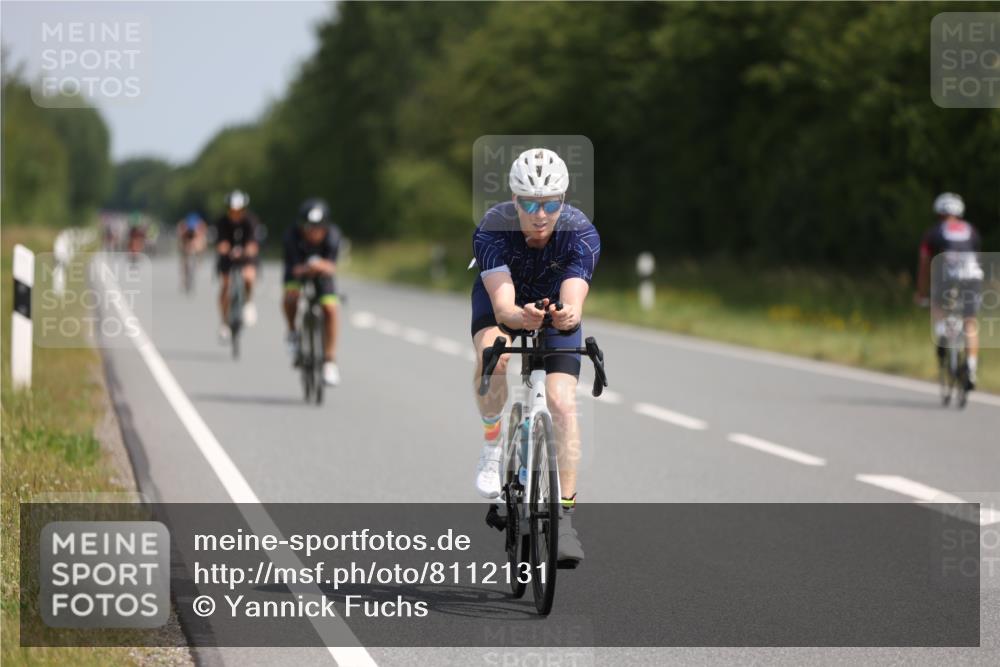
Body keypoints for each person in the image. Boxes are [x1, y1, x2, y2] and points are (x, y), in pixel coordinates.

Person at [470, 148, 600, 565]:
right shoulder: (493, 228)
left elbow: (574, 301)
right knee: (495, 355)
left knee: (562, 401)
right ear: (514, 200)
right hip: (505, 304)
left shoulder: (581, 233)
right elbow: (503, 306)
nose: (540, 214)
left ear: (563, 200)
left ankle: (565, 518)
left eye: (550, 204)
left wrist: (567, 316)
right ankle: (493, 442)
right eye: (528, 204)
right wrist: (517, 317)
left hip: (552, 307)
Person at [916, 192, 983, 389]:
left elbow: (924, 263)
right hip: (972, 276)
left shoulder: (933, 232)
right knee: (970, 322)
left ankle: (942, 332)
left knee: (937, 306)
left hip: (948, 276)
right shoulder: (972, 230)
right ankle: (971, 369)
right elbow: (978, 257)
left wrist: (921, 292)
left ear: (939, 212)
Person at [282, 198, 343, 386]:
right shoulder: (291, 236)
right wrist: (309, 268)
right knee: (291, 297)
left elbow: (331, 266)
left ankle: (329, 361)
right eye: (310, 228)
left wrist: (319, 267)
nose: (314, 232)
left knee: (330, 308)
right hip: (297, 271)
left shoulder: (333, 235)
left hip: (322, 275)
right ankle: (292, 332)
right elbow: (294, 268)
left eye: (319, 228)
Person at [215, 190, 260, 341]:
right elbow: (221, 244)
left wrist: (244, 252)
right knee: (225, 286)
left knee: (249, 277)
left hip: (246, 256)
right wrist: (228, 250)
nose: (235, 213)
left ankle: (248, 302)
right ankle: (224, 323)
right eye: (232, 210)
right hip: (228, 257)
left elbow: (253, 244)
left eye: (238, 210)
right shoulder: (222, 222)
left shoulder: (251, 221)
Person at [177, 211, 207, 290]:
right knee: (184, 258)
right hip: (185, 240)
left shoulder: (199, 226)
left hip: (196, 240)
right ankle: (184, 276)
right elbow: (181, 240)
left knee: (198, 246)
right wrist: (184, 247)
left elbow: (201, 241)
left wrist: (197, 248)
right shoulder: (184, 227)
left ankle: (198, 260)